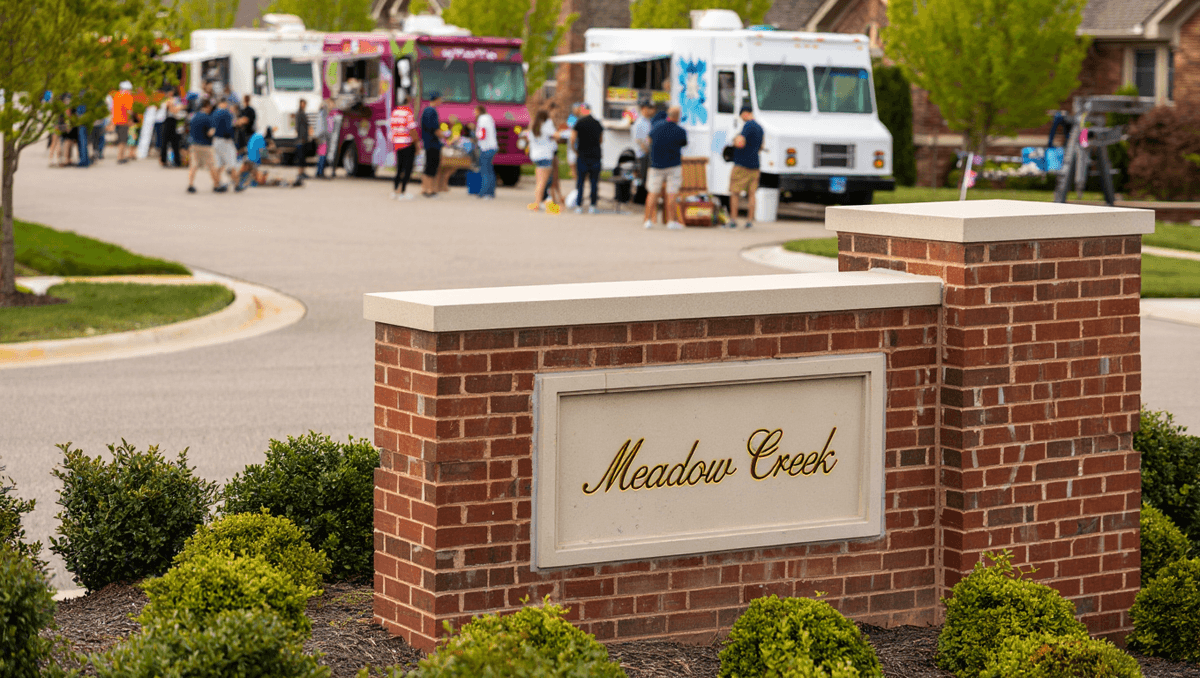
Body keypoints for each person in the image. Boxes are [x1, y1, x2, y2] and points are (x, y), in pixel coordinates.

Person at [644, 105, 687, 230]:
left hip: (656, 165)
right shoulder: (680, 131)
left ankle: (648, 220)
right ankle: (671, 221)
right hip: (673, 165)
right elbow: (683, 144)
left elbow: (649, 139)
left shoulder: (656, 127)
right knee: (671, 194)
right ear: (677, 117)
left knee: (653, 192)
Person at [728, 103, 764, 229]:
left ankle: (733, 220)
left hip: (742, 165)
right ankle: (749, 221)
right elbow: (762, 146)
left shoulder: (748, 126)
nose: (741, 118)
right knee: (752, 194)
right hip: (755, 165)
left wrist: (734, 140)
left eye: (741, 115)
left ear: (745, 113)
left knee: (735, 193)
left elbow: (740, 143)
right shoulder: (760, 128)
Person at [526, 109, 564, 211]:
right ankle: (538, 203)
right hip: (545, 156)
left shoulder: (534, 126)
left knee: (539, 182)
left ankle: (539, 202)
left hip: (536, 156)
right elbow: (557, 135)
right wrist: (556, 135)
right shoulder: (546, 125)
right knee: (543, 183)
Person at [571, 102, 603, 214]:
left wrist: (575, 150)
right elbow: (601, 140)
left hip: (582, 155)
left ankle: (579, 205)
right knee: (594, 182)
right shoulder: (597, 123)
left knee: (580, 181)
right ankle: (593, 206)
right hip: (595, 155)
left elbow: (572, 139)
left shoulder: (579, 123)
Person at [187, 100, 225, 193]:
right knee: (212, 166)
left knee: (194, 165)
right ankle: (217, 185)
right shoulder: (208, 118)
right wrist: (214, 131)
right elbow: (209, 133)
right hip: (206, 145)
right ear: (207, 106)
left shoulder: (194, 117)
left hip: (194, 144)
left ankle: (190, 185)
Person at [389, 100, 417, 199]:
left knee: (399, 168)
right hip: (408, 143)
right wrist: (416, 143)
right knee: (407, 168)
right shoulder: (408, 113)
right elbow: (412, 129)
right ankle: (403, 191)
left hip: (397, 143)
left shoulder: (394, 113)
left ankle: (395, 190)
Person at [420, 92, 444, 198]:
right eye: (440, 99)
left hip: (427, 142)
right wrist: (444, 136)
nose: (441, 101)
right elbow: (435, 128)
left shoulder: (425, 110)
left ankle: (424, 188)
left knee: (427, 166)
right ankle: (430, 190)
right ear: (437, 99)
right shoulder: (432, 111)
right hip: (433, 143)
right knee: (432, 166)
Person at [631, 100, 655, 202]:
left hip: (646, 153)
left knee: (645, 177)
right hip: (642, 154)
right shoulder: (640, 122)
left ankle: (642, 197)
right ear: (644, 109)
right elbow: (639, 140)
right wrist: (647, 151)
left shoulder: (648, 121)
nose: (653, 111)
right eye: (651, 108)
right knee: (642, 177)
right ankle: (639, 198)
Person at [211, 98, 239, 187]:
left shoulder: (214, 113)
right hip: (225, 141)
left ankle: (216, 184)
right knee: (232, 164)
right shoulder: (227, 113)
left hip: (215, 141)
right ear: (225, 103)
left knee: (219, 164)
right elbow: (228, 128)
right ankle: (237, 185)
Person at [474, 104, 498, 200]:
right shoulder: (489, 118)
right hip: (492, 146)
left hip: (485, 147)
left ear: (479, 111)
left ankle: (485, 193)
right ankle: (491, 192)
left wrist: (475, 135)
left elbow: (482, 133)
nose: (474, 113)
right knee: (490, 171)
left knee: (485, 171)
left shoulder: (482, 119)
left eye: (475, 111)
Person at [110, 81, 134, 164]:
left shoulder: (116, 96)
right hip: (124, 121)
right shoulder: (127, 96)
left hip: (116, 120)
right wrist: (133, 118)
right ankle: (120, 157)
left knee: (121, 139)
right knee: (123, 140)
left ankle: (121, 156)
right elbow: (129, 110)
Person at [160, 98, 181, 167]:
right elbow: (171, 110)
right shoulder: (165, 104)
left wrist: (172, 105)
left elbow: (175, 111)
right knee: (164, 143)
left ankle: (177, 161)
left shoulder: (177, 103)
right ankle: (163, 160)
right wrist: (170, 104)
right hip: (167, 123)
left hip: (174, 123)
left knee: (175, 143)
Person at [294, 99, 310, 186]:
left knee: (303, 157)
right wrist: (301, 137)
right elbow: (297, 127)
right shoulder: (299, 113)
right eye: (302, 104)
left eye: (304, 104)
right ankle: (300, 173)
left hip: (304, 138)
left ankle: (303, 172)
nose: (303, 105)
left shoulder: (302, 113)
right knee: (300, 158)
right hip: (301, 139)